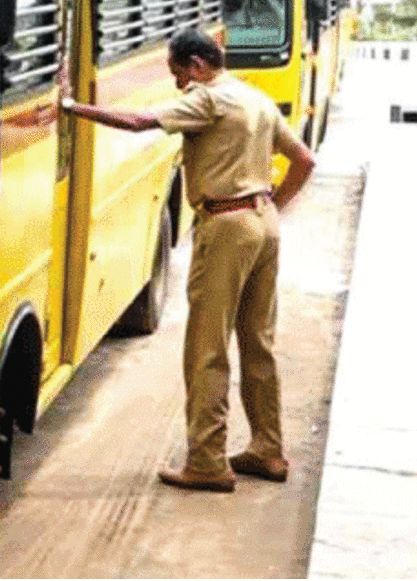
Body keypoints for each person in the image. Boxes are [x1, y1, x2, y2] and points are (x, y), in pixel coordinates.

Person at [60, 28, 315, 492]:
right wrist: (274, 203)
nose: (180, 85)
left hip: (226, 227)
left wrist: (73, 107)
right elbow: (304, 160)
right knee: (258, 342)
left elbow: (138, 123)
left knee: (207, 347)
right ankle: (268, 449)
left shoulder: (209, 99)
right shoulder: (254, 98)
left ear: (198, 65)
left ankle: (207, 460)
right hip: (264, 223)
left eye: (179, 74)